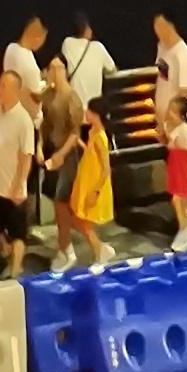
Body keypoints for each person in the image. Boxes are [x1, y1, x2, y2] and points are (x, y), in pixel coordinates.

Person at [0, 64, 36, 275]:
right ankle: (6, 252)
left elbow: (26, 157)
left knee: (18, 233)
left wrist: (18, 186)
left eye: (4, 85)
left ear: (15, 90)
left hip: (13, 188)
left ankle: (15, 271)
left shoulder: (23, 121)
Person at [151, 15, 187, 241]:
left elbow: (184, 92)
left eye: (160, 25)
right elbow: (161, 79)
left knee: (180, 175)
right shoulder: (162, 47)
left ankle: (184, 219)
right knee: (172, 172)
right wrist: (159, 118)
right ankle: (183, 215)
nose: (157, 30)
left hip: (179, 122)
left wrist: (171, 120)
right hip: (166, 120)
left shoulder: (182, 54)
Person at [64, 104, 115, 269]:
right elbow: (91, 153)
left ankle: (100, 252)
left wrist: (96, 191)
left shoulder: (101, 137)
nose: (86, 114)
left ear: (96, 114)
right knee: (78, 219)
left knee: (84, 223)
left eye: (89, 112)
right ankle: (101, 249)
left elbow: (106, 168)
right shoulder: (93, 132)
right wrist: (78, 142)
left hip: (94, 186)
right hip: (86, 182)